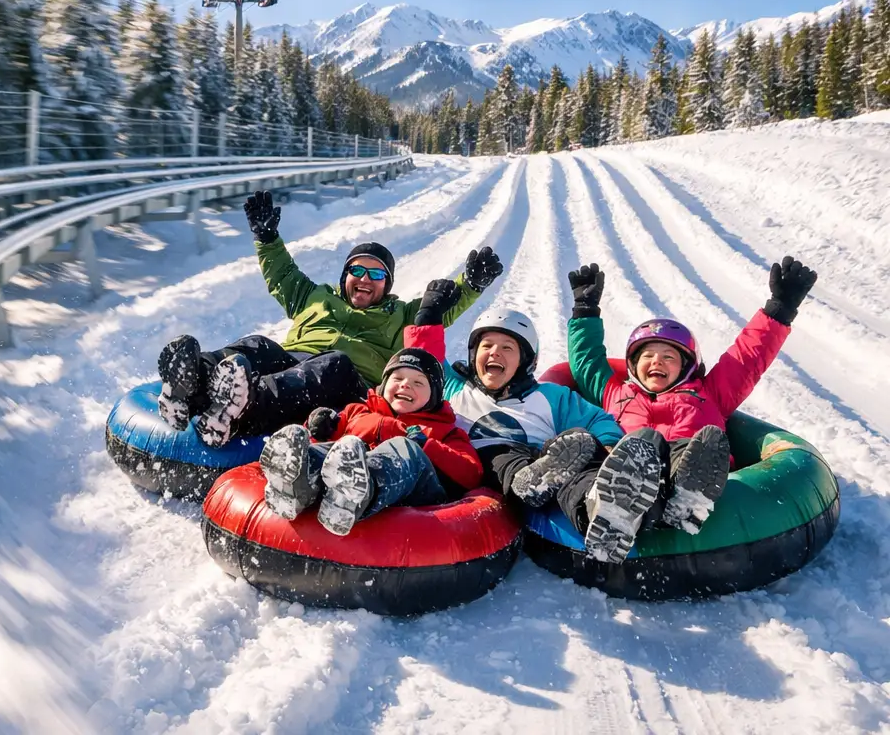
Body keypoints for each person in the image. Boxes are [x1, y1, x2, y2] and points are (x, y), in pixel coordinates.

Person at [159, 190, 503, 447]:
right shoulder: (315, 297)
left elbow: (441, 311)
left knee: (334, 363)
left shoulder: (402, 315)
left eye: (376, 274)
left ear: (388, 285)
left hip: (347, 387)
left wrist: (470, 284)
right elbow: (283, 273)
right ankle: (192, 382)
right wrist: (266, 237)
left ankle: (243, 408)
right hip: (292, 365)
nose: (365, 278)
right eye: (357, 269)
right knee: (258, 343)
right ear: (345, 276)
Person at [560, 257, 817, 564]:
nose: (657, 362)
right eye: (648, 356)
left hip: (683, 463)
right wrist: (585, 311)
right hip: (631, 474)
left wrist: (779, 309)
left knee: (706, 440)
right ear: (632, 365)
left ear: (687, 366)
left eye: (669, 356)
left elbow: (747, 357)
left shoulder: (709, 392)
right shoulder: (616, 393)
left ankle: (689, 494)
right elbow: (586, 362)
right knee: (642, 443)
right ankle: (614, 512)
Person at [407, 282, 625, 518]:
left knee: (575, 446)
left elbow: (596, 418)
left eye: (507, 348)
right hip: (469, 471)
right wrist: (427, 317)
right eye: (486, 345)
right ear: (473, 355)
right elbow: (424, 362)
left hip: (537, 465)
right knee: (496, 453)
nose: (494, 352)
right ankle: (528, 482)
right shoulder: (454, 388)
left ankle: (597, 509)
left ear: (525, 361)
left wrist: (608, 443)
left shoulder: (551, 396)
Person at [258, 344, 483, 536]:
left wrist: (425, 444)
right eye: (398, 378)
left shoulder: (443, 430)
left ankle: (357, 494)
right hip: (344, 474)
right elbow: (326, 444)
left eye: (418, 382)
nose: (405, 385)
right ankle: (297, 481)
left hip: (413, 494)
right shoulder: (358, 411)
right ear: (384, 385)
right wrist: (318, 428)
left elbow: (471, 474)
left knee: (403, 447)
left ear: (433, 396)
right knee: (342, 447)